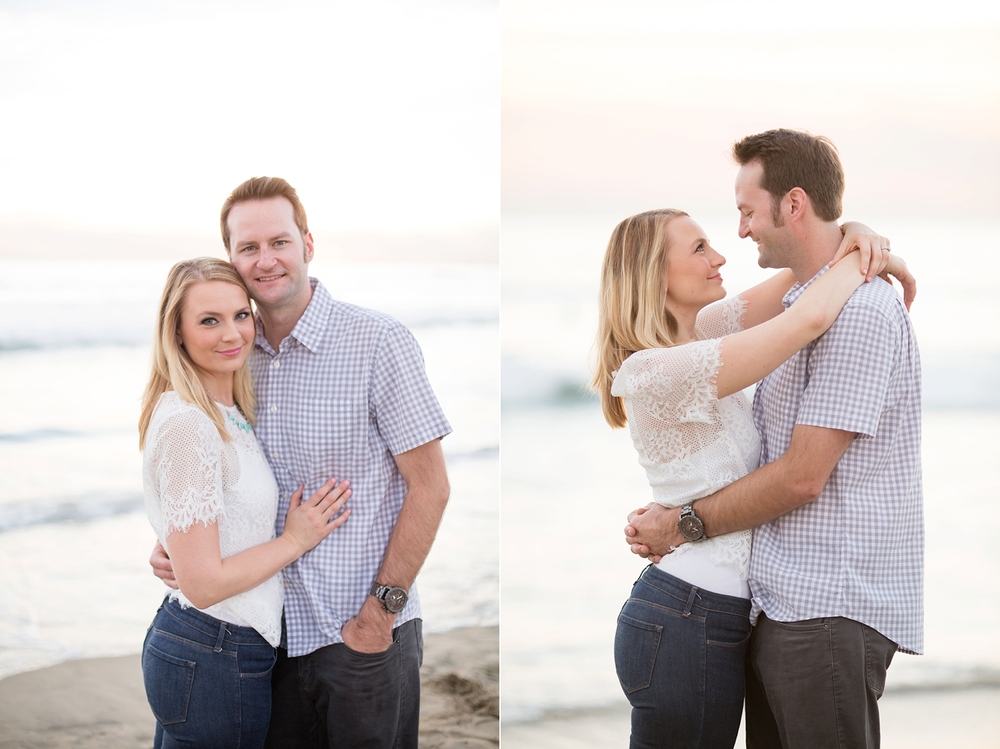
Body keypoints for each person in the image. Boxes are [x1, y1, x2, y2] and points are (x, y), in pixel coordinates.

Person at [624, 129, 922, 749]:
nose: (730, 245)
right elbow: (806, 313)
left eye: (744, 213)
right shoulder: (669, 363)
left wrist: (860, 238)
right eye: (702, 245)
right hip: (715, 609)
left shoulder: (722, 330)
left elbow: (801, 474)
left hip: (807, 607)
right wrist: (861, 247)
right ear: (656, 274)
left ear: (791, 204)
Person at [150, 177, 452, 748]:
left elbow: (431, 489)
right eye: (248, 248)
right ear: (232, 259)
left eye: (279, 242)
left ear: (307, 244)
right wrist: (180, 544)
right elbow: (214, 474)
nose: (265, 260)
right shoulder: (233, 353)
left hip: (358, 634)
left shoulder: (378, 341)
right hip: (268, 639)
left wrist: (379, 614)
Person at [139, 258, 352, 748]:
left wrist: (171, 538)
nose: (231, 333)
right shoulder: (189, 423)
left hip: (221, 646)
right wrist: (295, 540)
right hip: (213, 648)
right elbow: (205, 583)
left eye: (240, 314)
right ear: (178, 333)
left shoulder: (226, 410)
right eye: (209, 320)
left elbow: (205, 506)